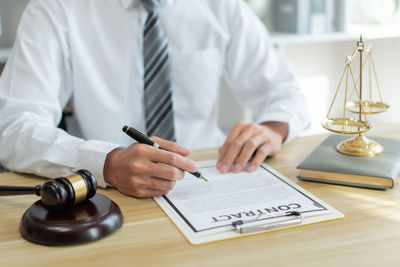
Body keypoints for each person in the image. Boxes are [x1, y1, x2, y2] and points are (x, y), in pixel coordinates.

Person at [0, 0, 309, 197]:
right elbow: (12, 128)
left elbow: (286, 92)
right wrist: (106, 163)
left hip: (211, 181)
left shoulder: (223, 6)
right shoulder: (55, 8)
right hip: (112, 196)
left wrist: (273, 128)